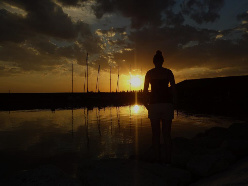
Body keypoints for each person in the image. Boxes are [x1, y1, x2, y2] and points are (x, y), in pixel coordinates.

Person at [143, 50, 176, 164]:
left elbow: (145, 91)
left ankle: (157, 159)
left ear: (154, 62)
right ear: (162, 61)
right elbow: (173, 89)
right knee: (166, 134)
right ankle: (168, 160)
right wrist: (173, 104)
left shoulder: (149, 73)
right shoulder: (168, 72)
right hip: (167, 104)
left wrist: (146, 105)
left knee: (155, 134)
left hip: (154, 105)